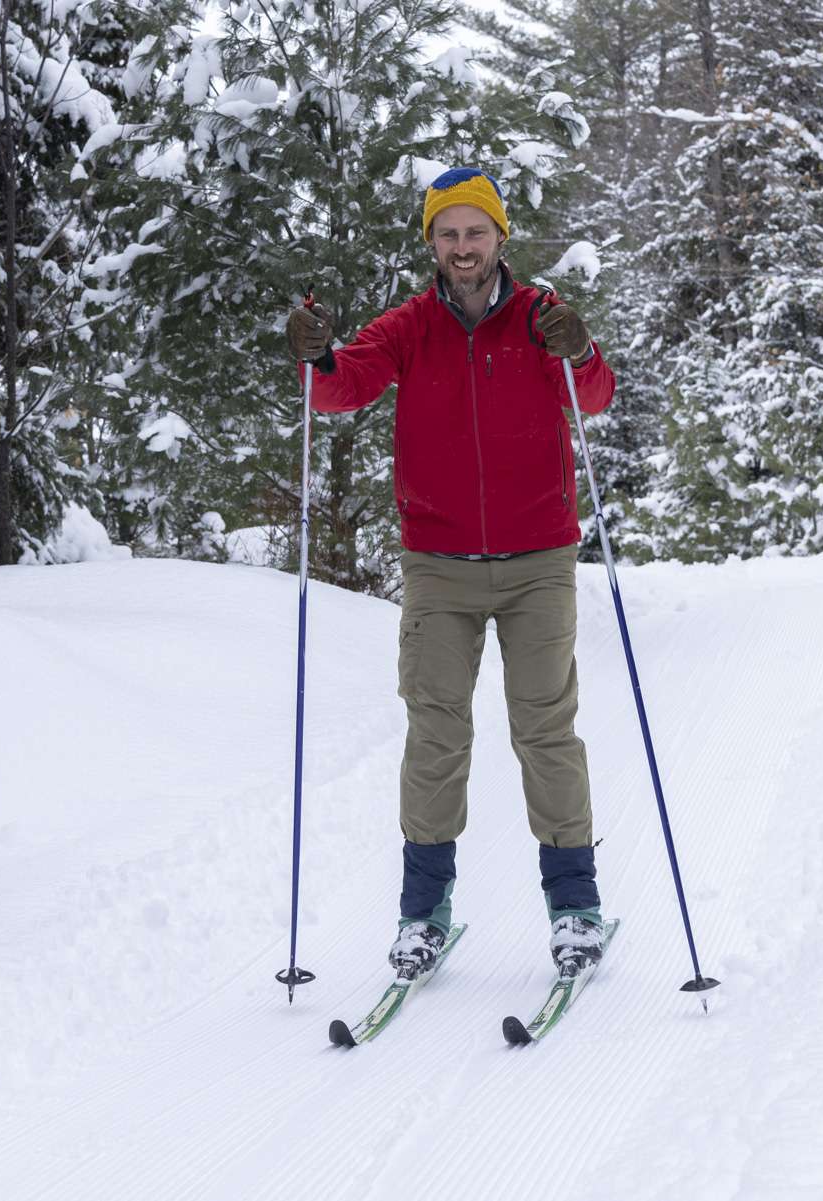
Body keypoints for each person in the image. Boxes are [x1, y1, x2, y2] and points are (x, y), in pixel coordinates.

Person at [284, 166, 615, 983]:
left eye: (475, 232)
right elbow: (341, 389)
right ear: (431, 243)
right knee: (436, 734)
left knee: (544, 729)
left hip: (539, 561)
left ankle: (575, 909)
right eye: (447, 234)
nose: (462, 248)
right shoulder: (410, 327)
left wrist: (582, 348)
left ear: (500, 237)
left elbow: (595, 397)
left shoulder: (542, 319)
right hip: (439, 566)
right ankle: (422, 913)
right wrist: (320, 355)